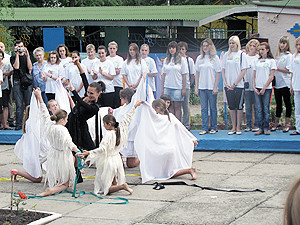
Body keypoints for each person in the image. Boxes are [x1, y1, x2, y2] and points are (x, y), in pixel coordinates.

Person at [78, 100, 145, 196]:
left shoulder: (109, 135)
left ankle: (123, 186)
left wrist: (88, 153)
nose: (103, 126)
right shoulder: (119, 129)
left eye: (104, 124)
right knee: (113, 182)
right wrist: (135, 106)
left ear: (109, 124)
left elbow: (102, 149)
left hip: (109, 161)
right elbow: (127, 118)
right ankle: (119, 185)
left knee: (106, 189)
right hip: (117, 159)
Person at [135, 98, 197, 183]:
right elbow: (182, 129)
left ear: (156, 109)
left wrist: (144, 103)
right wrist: (192, 139)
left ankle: (189, 170)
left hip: (161, 150)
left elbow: (148, 112)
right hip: (171, 149)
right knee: (167, 172)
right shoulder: (171, 117)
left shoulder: (156, 118)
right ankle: (150, 174)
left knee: (166, 173)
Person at [33, 88, 80, 197]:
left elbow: (44, 111)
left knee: (58, 175)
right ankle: (51, 190)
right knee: (66, 183)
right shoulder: (62, 129)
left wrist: (39, 96)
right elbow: (70, 143)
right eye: (67, 119)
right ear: (63, 119)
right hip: (63, 155)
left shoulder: (49, 125)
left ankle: (55, 185)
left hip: (53, 153)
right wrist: (78, 151)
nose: (67, 121)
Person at [222, 36, 248, 135]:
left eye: (233, 43)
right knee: (232, 106)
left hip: (239, 85)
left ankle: (238, 127)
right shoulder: (226, 55)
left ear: (237, 44)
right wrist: (225, 82)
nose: (232, 45)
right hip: (228, 86)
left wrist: (235, 83)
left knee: (239, 106)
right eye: (230, 43)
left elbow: (243, 70)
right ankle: (233, 127)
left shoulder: (242, 55)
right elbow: (223, 69)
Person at [195, 38, 221, 135]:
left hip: (211, 87)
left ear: (210, 46)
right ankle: (205, 127)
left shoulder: (215, 58)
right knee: (204, 108)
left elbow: (218, 73)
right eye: (203, 46)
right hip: (202, 87)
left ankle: (214, 127)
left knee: (213, 108)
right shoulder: (199, 58)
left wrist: (215, 87)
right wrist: (196, 87)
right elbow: (197, 73)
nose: (205, 47)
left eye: (207, 45)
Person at [253, 42, 276, 135]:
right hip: (257, 87)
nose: (261, 51)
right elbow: (254, 75)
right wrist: (254, 86)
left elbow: (271, 77)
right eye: (260, 50)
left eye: (263, 49)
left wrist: (264, 88)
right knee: (258, 108)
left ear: (267, 50)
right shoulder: (257, 61)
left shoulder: (271, 61)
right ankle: (260, 128)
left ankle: (266, 127)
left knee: (265, 108)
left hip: (266, 88)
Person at [161, 41, 188, 121]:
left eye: (173, 48)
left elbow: (184, 75)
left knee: (177, 107)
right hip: (167, 86)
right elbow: (163, 75)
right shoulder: (166, 60)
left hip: (177, 87)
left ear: (176, 49)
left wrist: (183, 88)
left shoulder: (182, 60)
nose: (171, 49)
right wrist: (162, 88)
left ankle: (178, 125)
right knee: (169, 107)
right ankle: (170, 124)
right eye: (170, 48)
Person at [10, 40, 33, 130]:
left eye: (22, 46)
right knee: (19, 105)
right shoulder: (13, 57)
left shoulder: (27, 56)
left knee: (28, 104)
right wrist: (17, 54)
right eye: (18, 47)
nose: (21, 48)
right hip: (17, 81)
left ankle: (29, 123)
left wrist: (27, 55)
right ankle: (19, 124)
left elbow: (30, 68)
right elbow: (16, 66)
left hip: (27, 81)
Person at [271, 36, 293, 132]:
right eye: (281, 43)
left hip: (285, 83)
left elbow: (288, 70)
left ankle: (287, 123)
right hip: (277, 84)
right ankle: (277, 122)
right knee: (278, 104)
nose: (282, 45)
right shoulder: (277, 56)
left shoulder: (289, 56)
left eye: (284, 43)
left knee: (287, 103)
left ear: (287, 45)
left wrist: (277, 68)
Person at [178, 41, 195, 130]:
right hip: (176, 86)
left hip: (186, 86)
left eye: (183, 49)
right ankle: (178, 124)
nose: (181, 51)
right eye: (179, 49)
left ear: (186, 50)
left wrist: (190, 84)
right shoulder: (175, 60)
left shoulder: (189, 60)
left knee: (185, 106)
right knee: (177, 106)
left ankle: (186, 124)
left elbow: (192, 74)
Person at [244, 39, 260, 132]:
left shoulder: (258, 58)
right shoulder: (245, 57)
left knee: (257, 106)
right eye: (250, 45)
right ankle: (248, 125)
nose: (252, 47)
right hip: (246, 85)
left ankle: (256, 124)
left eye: (254, 46)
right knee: (248, 106)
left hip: (256, 85)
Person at [107, 41, 124, 109]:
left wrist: (109, 72)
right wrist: (114, 70)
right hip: (108, 85)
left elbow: (119, 71)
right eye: (110, 48)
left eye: (114, 48)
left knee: (117, 104)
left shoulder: (120, 59)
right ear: (108, 49)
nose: (112, 50)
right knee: (109, 105)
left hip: (118, 84)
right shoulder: (106, 59)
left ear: (116, 49)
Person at [0, 49, 13, 130]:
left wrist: (6, 74)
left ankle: (5, 124)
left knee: (5, 105)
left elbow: (11, 72)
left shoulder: (6, 64)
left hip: (4, 87)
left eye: (1, 56)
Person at [290, 37, 300, 135]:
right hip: (296, 84)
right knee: (297, 108)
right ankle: (298, 128)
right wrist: (291, 85)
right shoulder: (293, 56)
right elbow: (292, 72)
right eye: (297, 45)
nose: (298, 47)